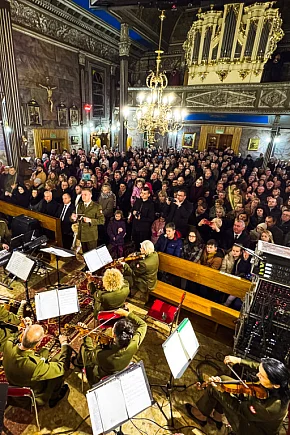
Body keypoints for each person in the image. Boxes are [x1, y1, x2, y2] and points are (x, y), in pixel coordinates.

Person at [185, 355, 290, 435]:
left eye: (261, 376)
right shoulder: (283, 381)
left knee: (215, 388)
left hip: (250, 427)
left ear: (276, 385)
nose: (257, 375)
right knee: (222, 378)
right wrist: (239, 360)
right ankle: (217, 416)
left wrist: (221, 390)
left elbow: (239, 408)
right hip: (252, 407)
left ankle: (201, 415)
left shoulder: (271, 407)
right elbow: (259, 367)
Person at [75, 307, 147, 386]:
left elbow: (89, 354)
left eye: (113, 328)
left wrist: (86, 334)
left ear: (114, 335)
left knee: (84, 350)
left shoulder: (103, 355)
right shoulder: (134, 343)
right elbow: (143, 325)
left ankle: (81, 368)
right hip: (123, 367)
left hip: (102, 375)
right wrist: (127, 314)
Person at [3, 325, 72, 407]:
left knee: (44, 351)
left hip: (14, 388)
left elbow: (12, 338)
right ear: (38, 343)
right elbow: (61, 368)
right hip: (34, 396)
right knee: (56, 363)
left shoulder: (8, 345)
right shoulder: (33, 365)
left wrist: (26, 330)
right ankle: (54, 397)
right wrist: (64, 344)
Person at [71, 188, 105, 253]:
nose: (83, 196)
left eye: (85, 195)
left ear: (90, 195)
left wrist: (90, 220)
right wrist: (73, 217)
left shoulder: (96, 207)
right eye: (82, 195)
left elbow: (102, 220)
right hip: (82, 234)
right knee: (84, 254)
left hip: (91, 236)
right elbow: (74, 216)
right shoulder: (79, 205)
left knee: (91, 254)